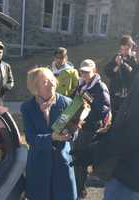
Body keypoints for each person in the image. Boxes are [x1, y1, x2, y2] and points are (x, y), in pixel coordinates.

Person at [74, 70, 139, 200]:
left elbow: (130, 132)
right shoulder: (81, 86)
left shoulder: (100, 87)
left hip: (129, 177)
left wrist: (95, 151)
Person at [20, 67, 77, 200]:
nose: (52, 84)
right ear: (35, 87)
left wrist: (72, 131)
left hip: (62, 165)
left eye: (52, 80)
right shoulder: (27, 107)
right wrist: (51, 137)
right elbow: (30, 138)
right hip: (39, 166)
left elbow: (75, 134)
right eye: (45, 82)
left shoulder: (67, 103)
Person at [72, 59, 111, 199]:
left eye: (87, 72)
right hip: (80, 128)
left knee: (82, 160)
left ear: (95, 71)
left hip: (91, 129)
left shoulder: (100, 87)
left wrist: (85, 117)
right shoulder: (81, 84)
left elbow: (103, 110)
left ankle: (80, 191)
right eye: (82, 71)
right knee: (78, 159)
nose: (84, 74)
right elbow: (74, 102)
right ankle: (79, 189)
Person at [105, 34, 138, 119]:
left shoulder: (134, 59)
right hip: (114, 93)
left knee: (122, 118)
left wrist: (123, 64)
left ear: (131, 48)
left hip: (126, 95)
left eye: (126, 49)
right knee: (111, 116)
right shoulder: (117, 57)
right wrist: (117, 66)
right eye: (122, 49)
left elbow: (133, 74)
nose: (124, 52)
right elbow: (108, 72)